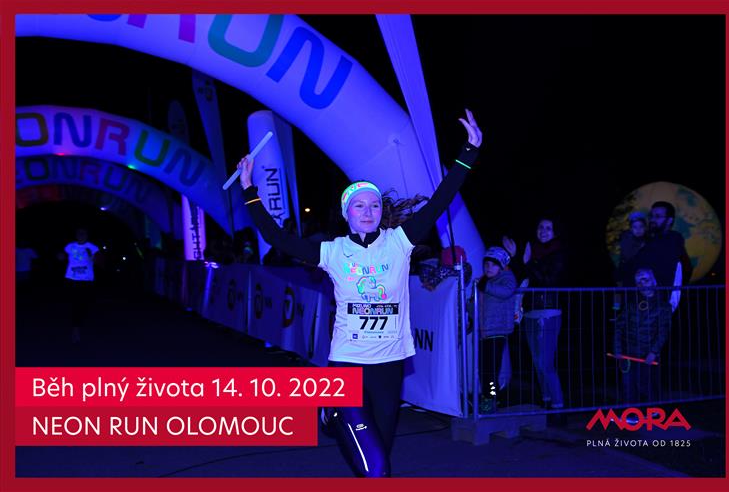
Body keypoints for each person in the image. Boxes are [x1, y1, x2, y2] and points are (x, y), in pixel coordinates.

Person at [237, 109, 482, 477]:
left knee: (379, 456)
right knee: (377, 468)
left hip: (391, 367)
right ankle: (333, 410)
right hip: (347, 367)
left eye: (374, 205)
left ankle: (331, 415)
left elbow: (439, 203)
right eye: (359, 205)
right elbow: (277, 238)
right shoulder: (333, 251)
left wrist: (469, 152)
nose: (367, 211)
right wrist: (249, 190)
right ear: (346, 213)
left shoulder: (398, 242)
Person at [521, 217, 566, 409]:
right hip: (530, 312)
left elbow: (548, 281)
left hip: (548, 312)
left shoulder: (558, 253)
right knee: (537, 363)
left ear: (554, 232)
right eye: (541, 227)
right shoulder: (532, 251)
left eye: (548, 228)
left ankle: (558, 408)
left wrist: (529, 262)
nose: (544, 231)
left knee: (545, 363)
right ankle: (546, 402)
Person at [613, 268, 671, 405]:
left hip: (647, 354)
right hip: (628, 353)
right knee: (628, 386)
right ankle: (631, 413)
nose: (642, 284)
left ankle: (652, 412)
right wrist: (618, 349)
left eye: (645, 279)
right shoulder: (631, 304)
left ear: (654, 281)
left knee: (646, 385)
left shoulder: (663, 307)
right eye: (639, 282)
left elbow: (663, 332)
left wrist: (653, 352)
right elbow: (619, 327)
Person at [473, 246, 517, 413]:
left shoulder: (507, 278)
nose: (489, 267)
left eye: (493, 264)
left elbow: (506, 292)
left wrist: (485, 286)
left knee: (491, 369)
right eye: (486, 264)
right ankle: (489, 397)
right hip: (484, 332)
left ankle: (491, 398)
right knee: (484, 368)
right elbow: (477, 306)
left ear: (501, 266)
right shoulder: (484, 282)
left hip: (497, 331)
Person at [629, 201, 693, 311]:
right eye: (651, 216)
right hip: (642, 300)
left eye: (658, 216)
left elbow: (684, 270)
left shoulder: (673, 240)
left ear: (670, 220)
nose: (652, 220)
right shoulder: (646, 240)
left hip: (663, 301)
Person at [61, 228, 99, 343]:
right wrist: (60, 257)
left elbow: (98, 261)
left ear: (87, 235)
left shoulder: (92, 247)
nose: (81, 235)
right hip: (72, 278)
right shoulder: (70, 246)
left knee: (84, 303)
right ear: (76, 235)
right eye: (79, 233)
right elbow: (62, 256)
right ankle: (75, 329)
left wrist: (92, 255)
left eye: (83, 233)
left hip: (86, 279)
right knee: (75, 303)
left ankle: (78, 323)